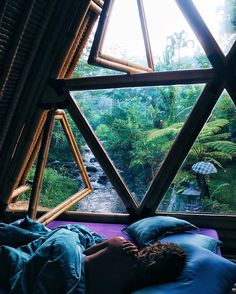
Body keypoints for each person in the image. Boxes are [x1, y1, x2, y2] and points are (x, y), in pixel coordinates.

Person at [84, 236, 186, 294]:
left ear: (151, 247)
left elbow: (86, 251)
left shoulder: (120, 244)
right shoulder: (134, 287)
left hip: (75, 267)